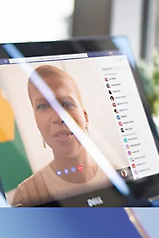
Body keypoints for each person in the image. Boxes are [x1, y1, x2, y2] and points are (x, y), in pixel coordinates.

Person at [11, 65, 110, 206]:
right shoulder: (28, 195)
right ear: (37, 123)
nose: (58, 117)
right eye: (43, 106)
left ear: (85, 117)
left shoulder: (119, 177)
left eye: (66, 104)